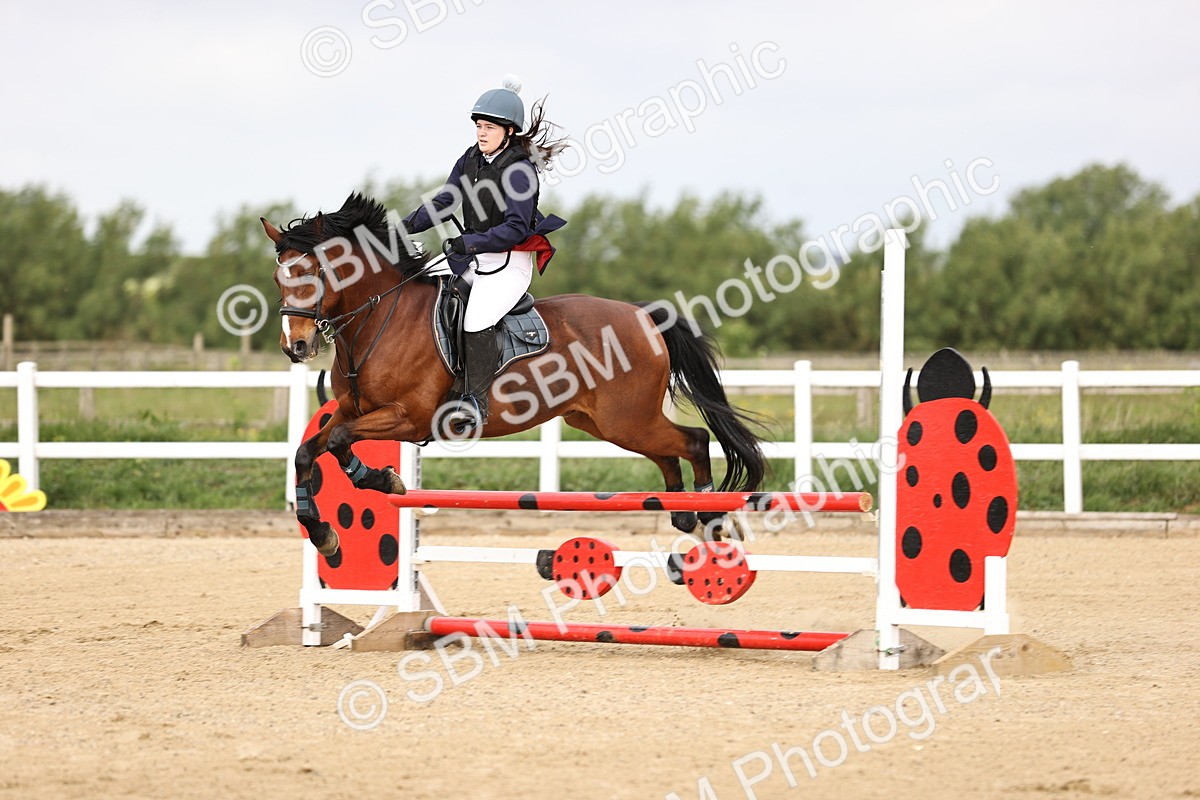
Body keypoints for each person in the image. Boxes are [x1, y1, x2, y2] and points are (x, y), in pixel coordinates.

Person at [403, 75, 569, 431]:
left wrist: (470, 242)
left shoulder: (520, 171)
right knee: (427, 294)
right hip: (475, 259)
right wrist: (403, 228)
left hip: (509, 263)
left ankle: (475, 401)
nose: (481, 133)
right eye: (479, 126)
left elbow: (515, 228)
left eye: (489, 127)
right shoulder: (472, 159)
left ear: (509, 131)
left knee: (475, 319)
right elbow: (446, 201)